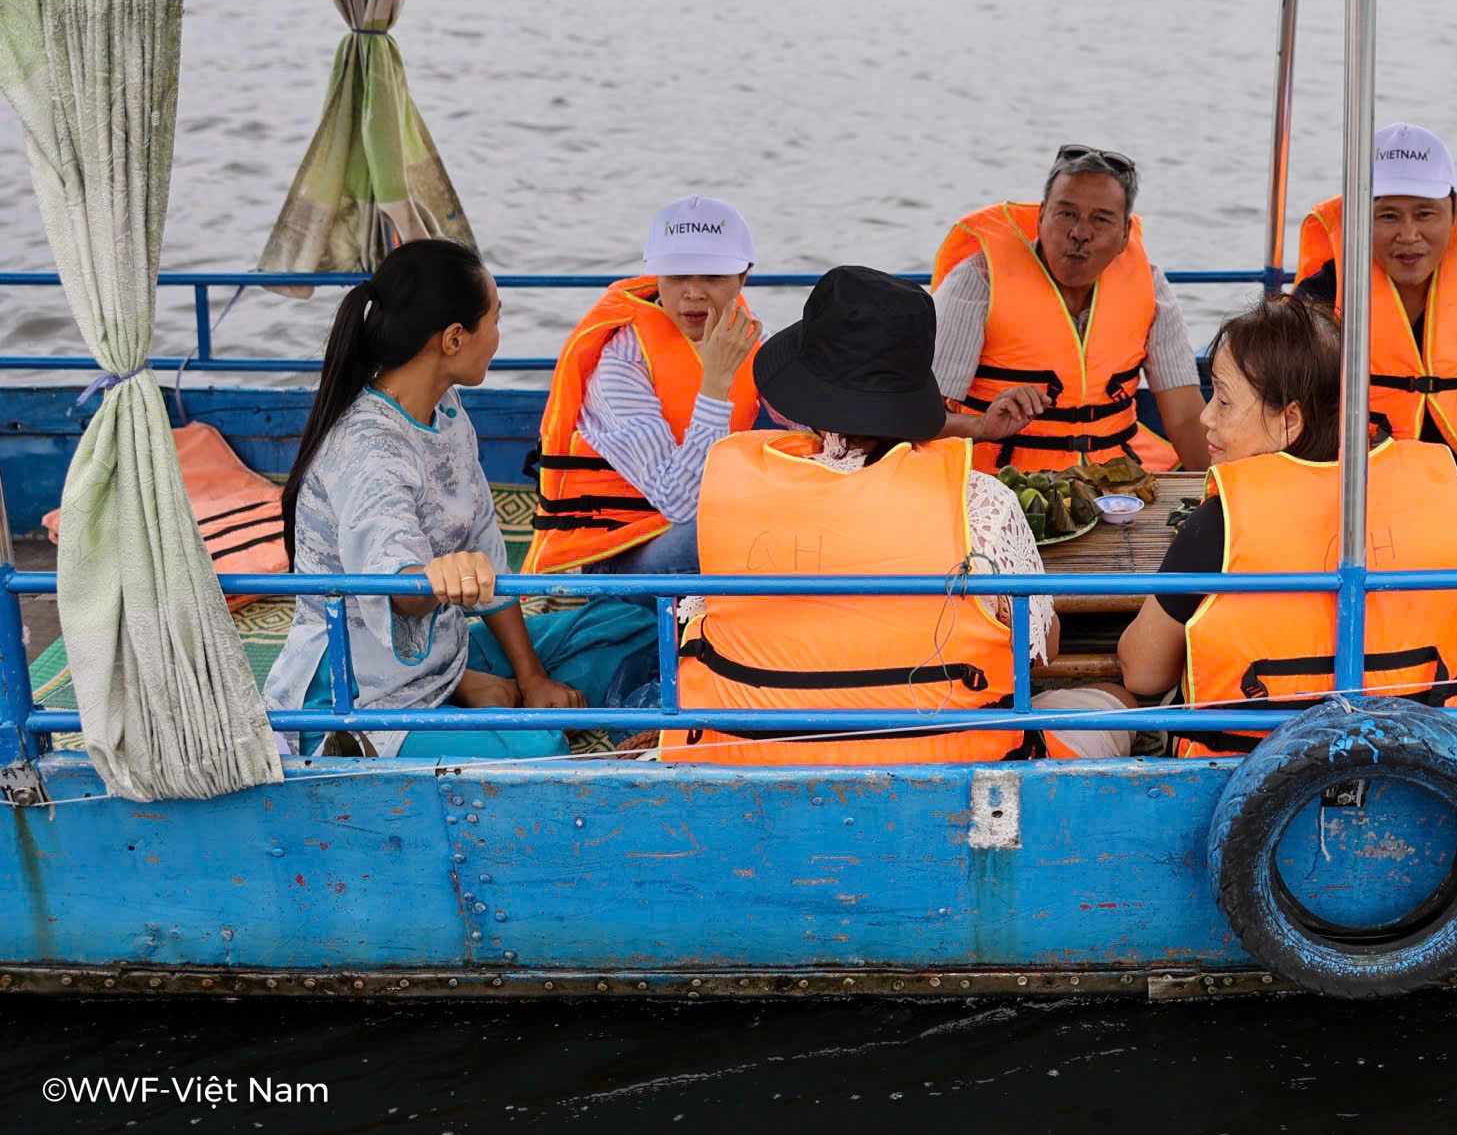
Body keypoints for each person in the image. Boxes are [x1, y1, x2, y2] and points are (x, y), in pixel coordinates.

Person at [661, 266, 1126, 764]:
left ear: (804, 392)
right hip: (947, 762)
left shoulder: (733, 486)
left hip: (755, 756)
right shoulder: (981, 501)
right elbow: (1038, 651)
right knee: (1115, 705)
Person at [265, 240, 653, 759]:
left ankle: (470, 689)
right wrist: (443, 576)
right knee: (538, 749)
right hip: (358, 690)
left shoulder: (445, 407)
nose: (497, 337)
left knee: (632, 627)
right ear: (453, 339)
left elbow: (484, 539)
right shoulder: (369, 451)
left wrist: (531, 678)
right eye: (494, 320)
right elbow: (400, 590)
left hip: (439, 656)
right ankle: (403, 726)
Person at [1114, 293, 1457, 758]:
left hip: (1245, 778)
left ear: (1290, 419)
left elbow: (1142, 673)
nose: (1206, 417)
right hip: (1425, 762)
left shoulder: (1221, 521)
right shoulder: (1441, 489)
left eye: (1225, 401)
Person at [929, 146, 1211, 473]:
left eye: (1101, 220)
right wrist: (980, 426)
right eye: (1066, 214)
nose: (1079, 233)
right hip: (1004, 488)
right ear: (1041, 217)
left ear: (1124, 236)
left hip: (1118, 487)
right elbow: (920, 419)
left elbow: (1186, 417)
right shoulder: (977, 282)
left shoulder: (1151, 287)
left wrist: (1220, 498)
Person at [525, 196, 764, 577]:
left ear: (743, 278)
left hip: (702, 524)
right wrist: (716, 383)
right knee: (732, 530)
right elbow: (681, 504)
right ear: (656, 276)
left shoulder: (752, 341)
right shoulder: (621, 362)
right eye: (677, 276)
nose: (693, 293)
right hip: (622, 553)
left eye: (713, 277)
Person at [1293, 123, 1457, 473]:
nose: (1409, 236)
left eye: (1425, 213)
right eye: (1388, 216)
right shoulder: (1322, 295)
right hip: (1363, 481)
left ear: (1455, 209)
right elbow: (1297, 406)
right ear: (1358, 214)